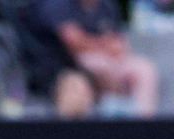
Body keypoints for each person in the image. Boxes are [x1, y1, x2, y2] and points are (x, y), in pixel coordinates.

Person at [26, 0, 157, 115]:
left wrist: (100, 46)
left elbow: (119, 44)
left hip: (108, 63)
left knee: (144, 69)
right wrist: (103, 44)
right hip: (66, 70)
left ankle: (144, 125)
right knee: (90, 71)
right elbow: (73, 41)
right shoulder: (58, 4)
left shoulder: (107, 5)